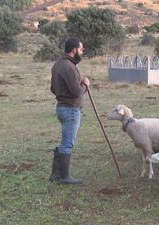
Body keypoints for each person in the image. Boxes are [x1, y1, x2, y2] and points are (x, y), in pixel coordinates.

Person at [49, 37, 90, 184]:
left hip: (61, 107)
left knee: (64, 142)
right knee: (67, 143)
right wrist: (85, 84)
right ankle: (64, 177)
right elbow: (76, 92)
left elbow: (53, 88)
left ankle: (55, 175)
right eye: (80, 49)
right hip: (71, 110)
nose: (82, 51)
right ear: (74, 50)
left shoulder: (58, 64)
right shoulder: (69, 67)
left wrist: (63, 95)